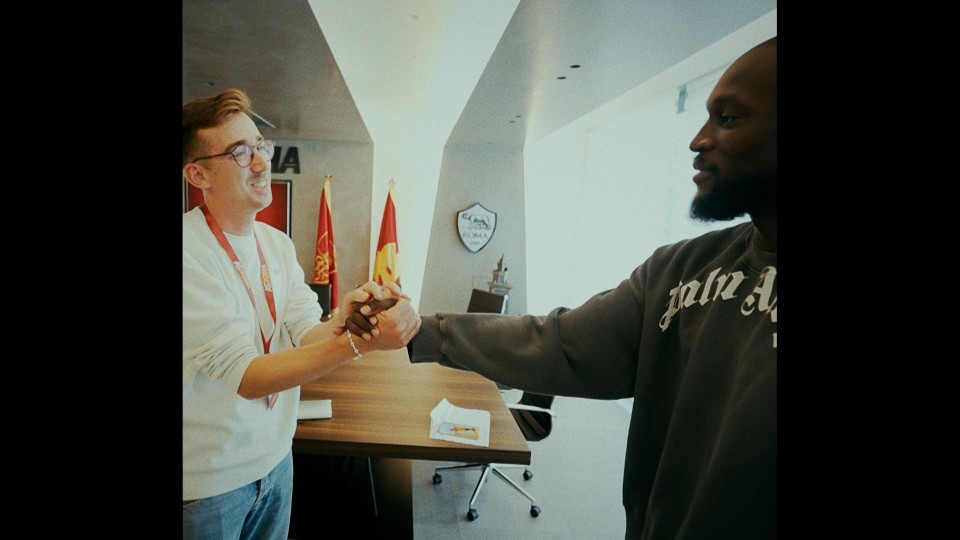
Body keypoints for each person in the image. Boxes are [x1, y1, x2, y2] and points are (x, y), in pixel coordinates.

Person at [350, 37, 777, 538]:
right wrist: (419, 329)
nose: (698, 140)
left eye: (728, 118)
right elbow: (557, 341)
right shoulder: (679, 269)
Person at [182, 88, 419, 539]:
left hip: (277, 461)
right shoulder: (189, 252)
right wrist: (356, 343)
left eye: (260, 147)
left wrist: (347, 319)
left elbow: (306, 331)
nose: (259, 162)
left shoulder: (277, 244)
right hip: (209, 485)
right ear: (198, 174)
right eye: (239, 152)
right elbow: (247, 377)